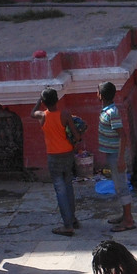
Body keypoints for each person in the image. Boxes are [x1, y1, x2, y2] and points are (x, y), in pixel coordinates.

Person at [31, 88, 81, 236]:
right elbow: (77, 136)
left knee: (60, 190)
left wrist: (38, 101)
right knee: (68, 186)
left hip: (53, 156)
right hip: (67, 154)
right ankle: (72, 219)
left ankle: (67, 225)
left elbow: (32, 113)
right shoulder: (65, 114)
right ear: (57, 100)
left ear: (44, 102)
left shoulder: (42, 116)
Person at [97, 82, 136, 232]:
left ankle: (128, 220)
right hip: (112, 153)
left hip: (116, 154)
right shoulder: (106, 111)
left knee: (121, 186)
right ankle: (125, 215)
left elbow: (122, 136)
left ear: (101, 95)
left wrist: (120, 158)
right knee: (119, 185)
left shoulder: (111, 113)